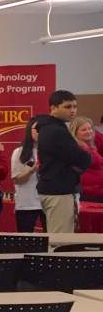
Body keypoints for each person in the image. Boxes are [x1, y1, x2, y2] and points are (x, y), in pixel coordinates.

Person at [35, 90, 91, 234]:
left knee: (57, 236)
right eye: (67, 107)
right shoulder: (56, 131)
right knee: (61, 239)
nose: (72, 111)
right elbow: (83, 159)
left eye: (74, 106)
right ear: (53, 108)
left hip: (55, 189)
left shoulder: (49, 128)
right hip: (59, 191)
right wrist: (79, 163)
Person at [11, 118, 45, 232]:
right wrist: (31, 171)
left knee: (51, 238)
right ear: (29, 131)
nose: (40, 132)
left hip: (48, 202)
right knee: (25, 238)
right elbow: (17, 180)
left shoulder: (51, 151)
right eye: (37, 129)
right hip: (27, 203)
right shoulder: (19, 152)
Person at [71, 116, 103, 202]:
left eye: (90, 129)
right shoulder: (78, 149)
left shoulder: (91, 146)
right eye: (84, 130)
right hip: (89, 194)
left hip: (96, 191)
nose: (88, 132)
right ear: (75, 132)